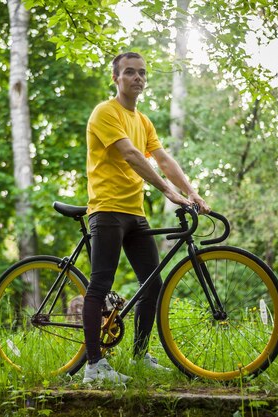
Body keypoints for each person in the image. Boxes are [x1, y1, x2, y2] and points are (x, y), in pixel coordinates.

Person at [82, 51, 210, 384]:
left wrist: (191, 191)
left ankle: (140, 356)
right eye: (129, 72)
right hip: (108, 209)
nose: (137, 77)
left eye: (141, 73)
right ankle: (93, 367)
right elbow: (131, 155)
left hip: (134, 212)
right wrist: (167, 191)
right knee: (100, 285)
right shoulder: (105, 112)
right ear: (116, 78)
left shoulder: (143, 121)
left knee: (152, 283)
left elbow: (163, 159)